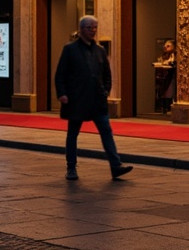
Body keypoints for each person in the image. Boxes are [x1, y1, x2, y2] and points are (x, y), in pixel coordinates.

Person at [54, 15, 132, 181]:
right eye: (90, 28)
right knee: (73, 134)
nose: (93, 31)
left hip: (97, 99)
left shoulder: (100, 50)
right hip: (77, 99)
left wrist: (106, 91)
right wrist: (62, 94)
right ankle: (71, 167)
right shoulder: (70, 49)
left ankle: (115, 166)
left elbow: (107, 74)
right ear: (82, 29)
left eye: (95, 27)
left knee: (106, 131)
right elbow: (60, 74)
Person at [153, 40, 176, 115]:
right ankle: (164, 108)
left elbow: (172, 63)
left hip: (172, 76)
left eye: (168, 46)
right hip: (164, 76)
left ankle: (170, 107)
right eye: (164, 46)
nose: (165, 48)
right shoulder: (164, 55)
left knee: (170, 91)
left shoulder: (175, 55)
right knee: (164, 92)